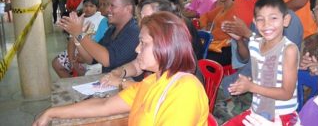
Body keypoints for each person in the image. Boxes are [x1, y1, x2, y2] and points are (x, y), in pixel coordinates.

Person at [33, 12, 209, 126]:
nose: (137, 49)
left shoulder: (185, 91)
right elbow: (104, 105)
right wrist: (51, 112)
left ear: (165, 46)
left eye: (143, 43)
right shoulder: (153, 82)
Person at [223, 0, 299, 125]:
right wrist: (239, 39)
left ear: (285, 20)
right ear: (254, 22)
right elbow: (250, 46)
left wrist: (251, 87)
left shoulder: (289, 50)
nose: (266, 24)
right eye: (260, 19)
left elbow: (287, 93)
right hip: (257, 111)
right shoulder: (255, 44)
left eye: (273, 18)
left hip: (281, 118)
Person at [58, 0, 139, 74]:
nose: (108, 9)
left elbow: (107, 60)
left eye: (112, 6)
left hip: (126, 84)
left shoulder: (134, 32)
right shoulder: (112, 30)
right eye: (107, 5)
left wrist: (79, 33)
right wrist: (76, 39)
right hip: (107, 81)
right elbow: (91, 59)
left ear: (128, 9)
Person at [52, 0, 109, 78]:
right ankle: (71, 83)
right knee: (56, 64)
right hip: (76, 50)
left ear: (97, 7)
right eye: (86, 6)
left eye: (91, 6)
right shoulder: (79, 19)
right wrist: (72, 60)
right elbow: (71, 40)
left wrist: (82, 56)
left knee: (83, 73)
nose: (88, 8)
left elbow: (98, 44)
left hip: (90, 53)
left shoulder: (102, 20)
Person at [199, 0, 235, 66]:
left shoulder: (236, 9)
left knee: (200, 59)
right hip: (213, 44)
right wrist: (205, 26)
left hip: (226, 49)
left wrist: (213, 32)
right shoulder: (221, 8)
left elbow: (229, 33)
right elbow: (205, 16)